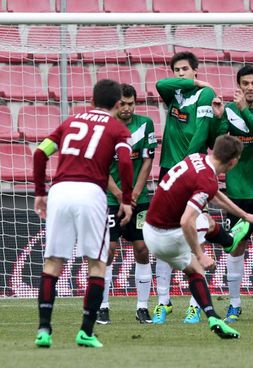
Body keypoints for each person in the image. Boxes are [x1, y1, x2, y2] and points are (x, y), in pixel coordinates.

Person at [33, 79, 134, 348]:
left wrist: (40, 192)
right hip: (90, 193)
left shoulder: (70, 122)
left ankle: (44, 330)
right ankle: (86, 331)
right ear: (116, 104)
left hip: (60, 190)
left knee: (53, 263)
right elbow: (125, 161)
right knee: (97, 264)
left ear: (91, 101)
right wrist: (126, 198)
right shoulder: (117, 128)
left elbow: (40, 153)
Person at [143, 134, 253, 339]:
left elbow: (214, 193)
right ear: (234, 161)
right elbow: (186, 221)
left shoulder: (197, 158)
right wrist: (200, 253)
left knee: (194, 271)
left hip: (150, 230)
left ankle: (213, 317)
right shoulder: (207, 180)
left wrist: (244, 215)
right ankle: (229, 241)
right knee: (205, 223)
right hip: (168, 236)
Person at [153, 51, 223, 324]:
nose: (180, 73)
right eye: (177, 70)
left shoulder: (206, 96)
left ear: (196, 69)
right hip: (167, 169)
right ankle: (163, 301)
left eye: (185, 69)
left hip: (189, 170)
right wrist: (194, 83)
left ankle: (195, 304)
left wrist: (189, 164)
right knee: (162, 235)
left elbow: (202, 132)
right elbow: (161, 86)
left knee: (195, 233)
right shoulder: (177, 93)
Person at [210, 64, 253, 323]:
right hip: (237, 190)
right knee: (235, 246)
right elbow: (218, 145)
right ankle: (234, 304)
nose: (249, 88)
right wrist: (218, 119)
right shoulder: (228, 111)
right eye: (245, 83)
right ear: (238, 85)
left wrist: (241, 111)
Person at [96, 84, 157, 325]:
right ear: (115, 104)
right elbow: (101, 168)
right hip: (110, 199)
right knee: (108, 251)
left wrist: (135, 193)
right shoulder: (104, 127)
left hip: (138, 199)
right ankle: (103, 306)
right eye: (123, 104)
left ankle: (142, 307)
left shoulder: (145, 124)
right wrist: (121, 195)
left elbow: (147, 161)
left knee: (142, 249)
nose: (128, 108)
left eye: (132, 103)